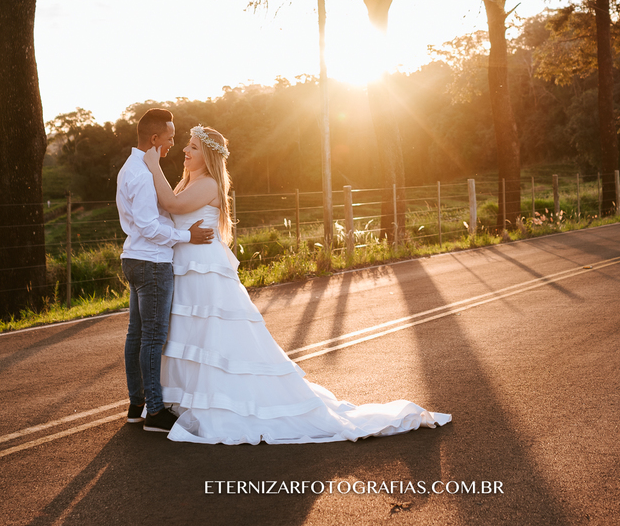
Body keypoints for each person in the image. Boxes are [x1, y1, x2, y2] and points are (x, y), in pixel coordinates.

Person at [142, 124, 451, 444]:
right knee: (189, 335)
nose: (185, 151)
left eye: (193, 146)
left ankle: (220, 400)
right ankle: (188, 397)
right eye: (187, 146)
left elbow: (173, 207)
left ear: (207, 156)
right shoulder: (187, 181)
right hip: (186, 268)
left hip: (205, 271)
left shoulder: (208, 185)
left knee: (211, 336)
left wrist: (152, 166)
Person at [116, 108, 213, 433]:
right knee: (153, 337)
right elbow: (148, 226)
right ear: (155, 139)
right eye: (171, 138)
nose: (174, 144)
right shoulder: (143, 174)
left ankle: (136, 405)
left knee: (136, 334)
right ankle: (155, 412)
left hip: (133, 258)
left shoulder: (129, 167)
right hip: (153, 262)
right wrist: (187, 235)